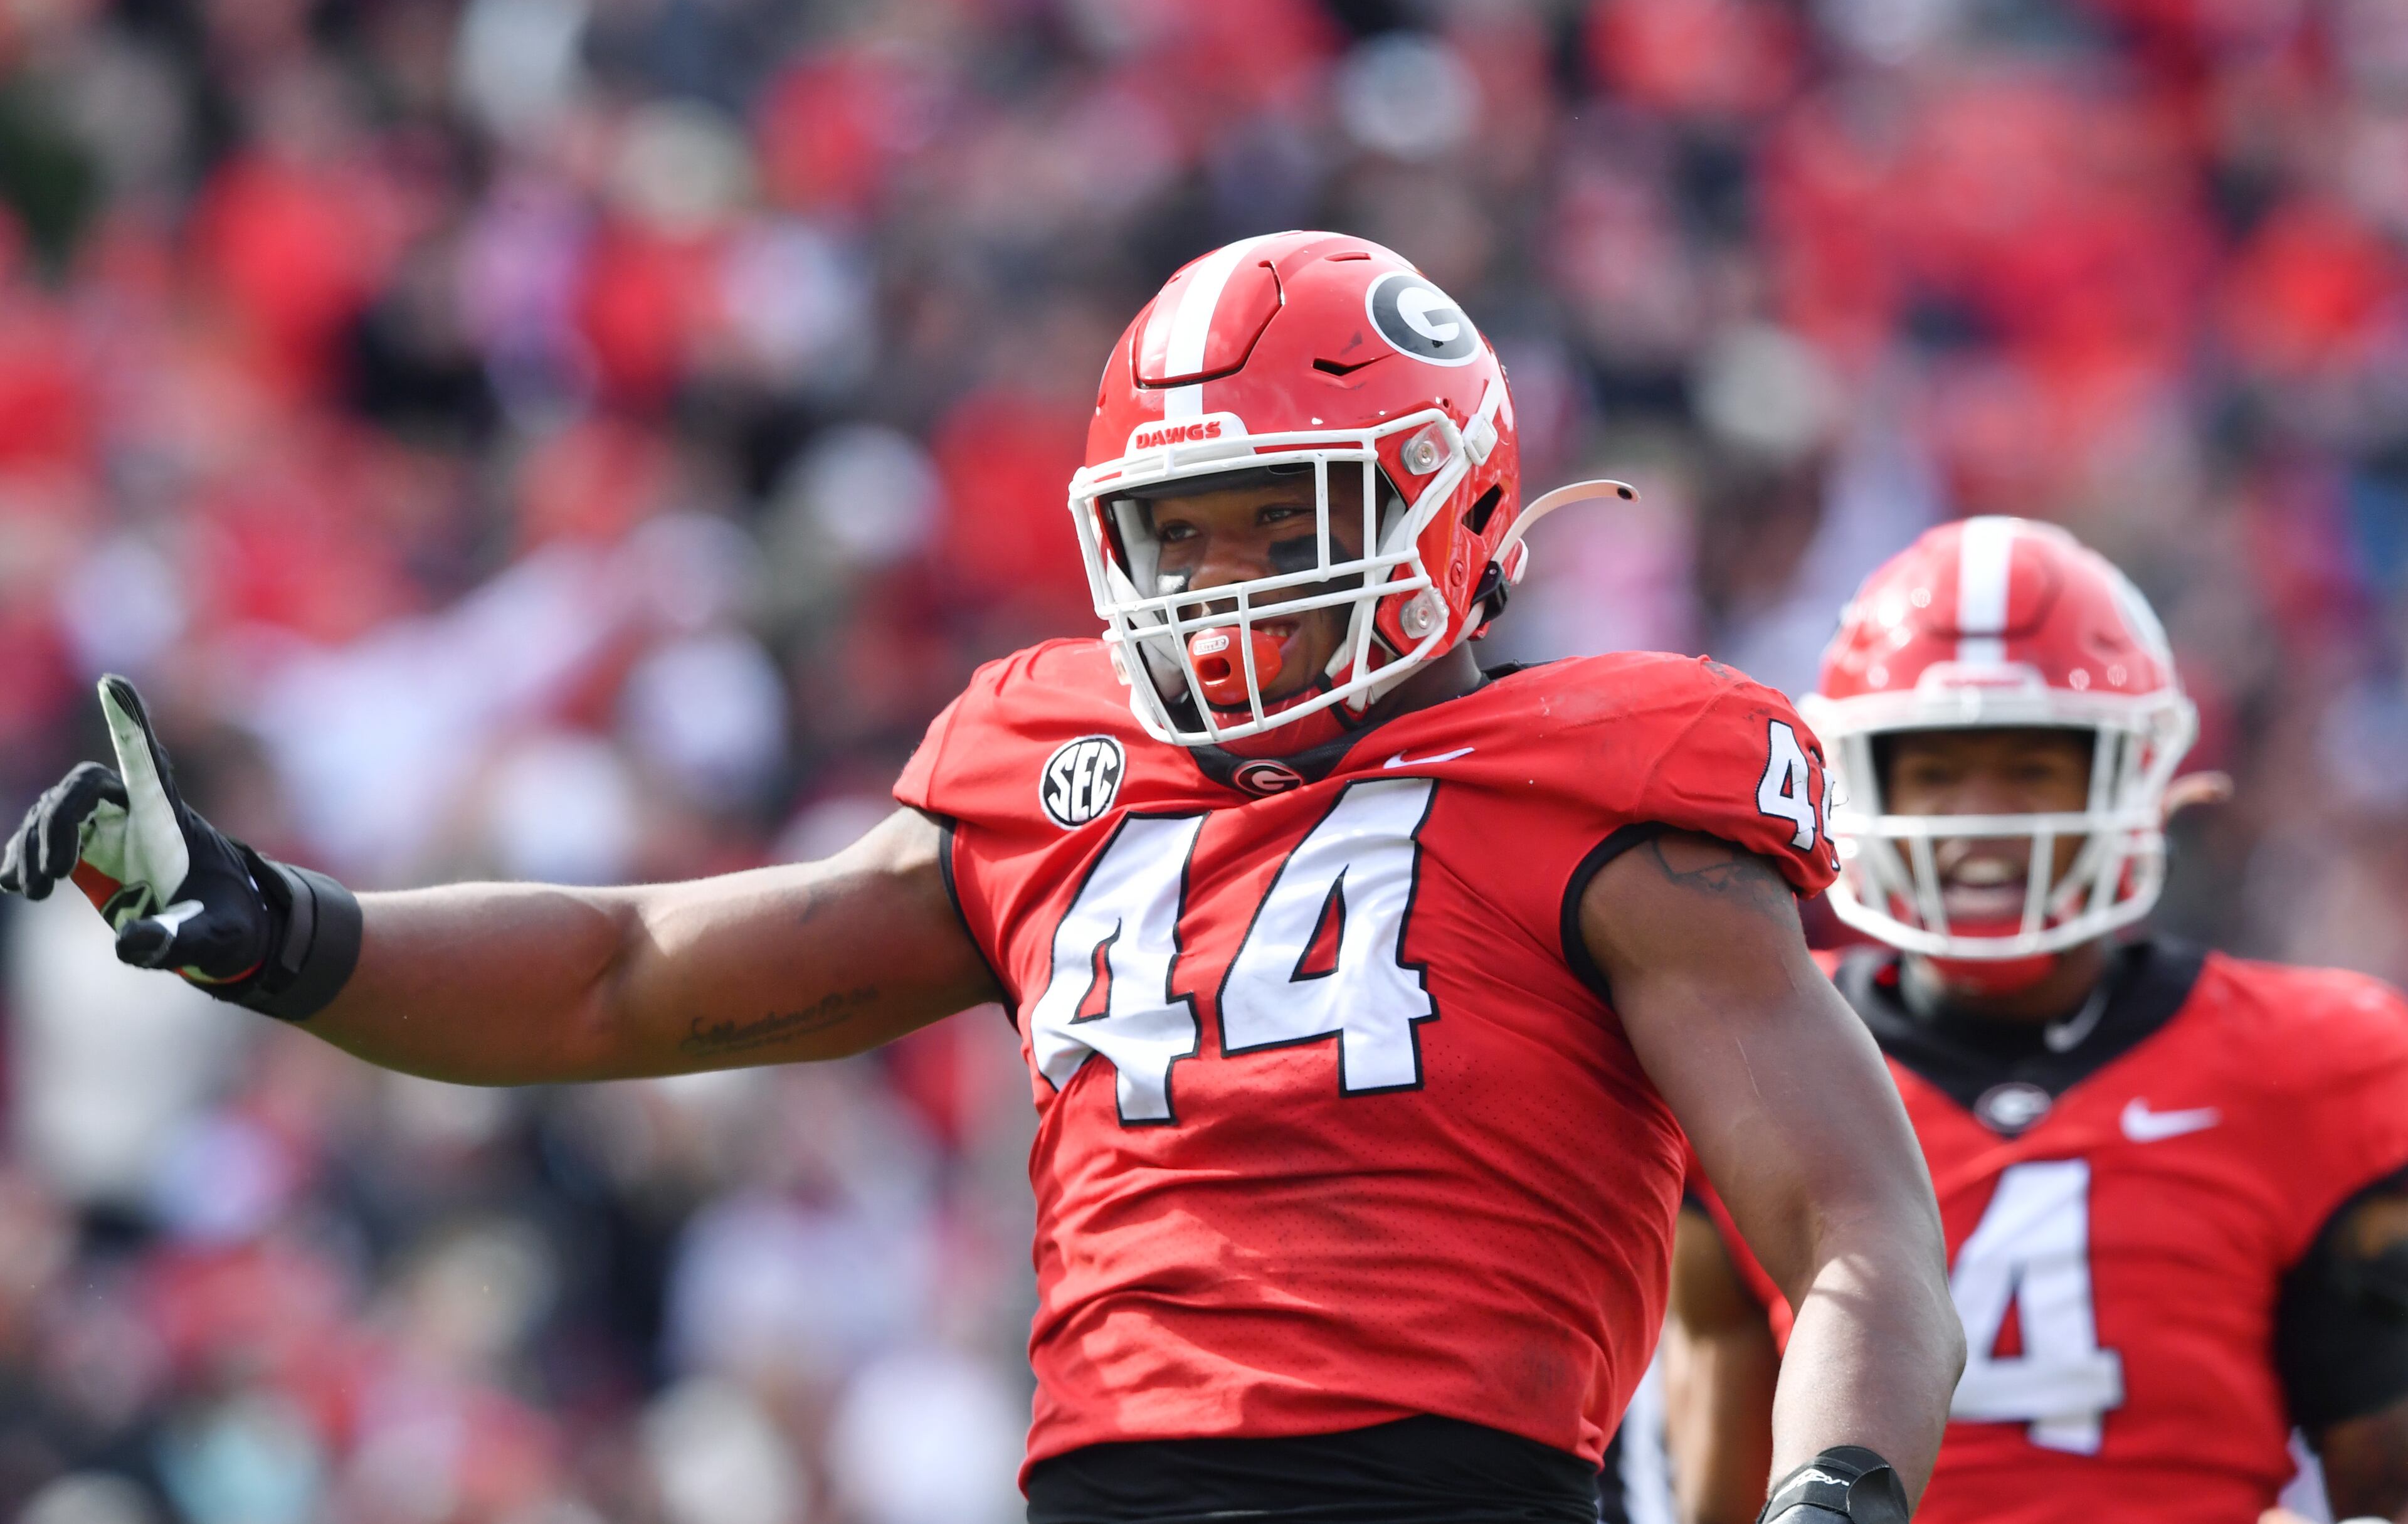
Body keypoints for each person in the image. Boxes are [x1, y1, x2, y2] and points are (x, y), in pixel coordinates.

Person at [2, 233, 1962, 1524]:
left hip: (1454, 1486)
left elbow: (1859, 1228)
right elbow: (636, 973)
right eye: (1176, 534)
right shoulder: (1051, 761)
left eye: (1279, 516)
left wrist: (1838, 1484)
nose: (1218, 582)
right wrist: (282, 926)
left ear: (1452, 500)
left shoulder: (1609, 772)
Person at [1662, 517, 2408, 1524]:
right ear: (1857, 782)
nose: (1982, 819)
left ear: (2136, 777)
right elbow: (1720, 1494)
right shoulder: (1746, 1054)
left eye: (2033, 769)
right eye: (1933, 772)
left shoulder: (2318, 1064)